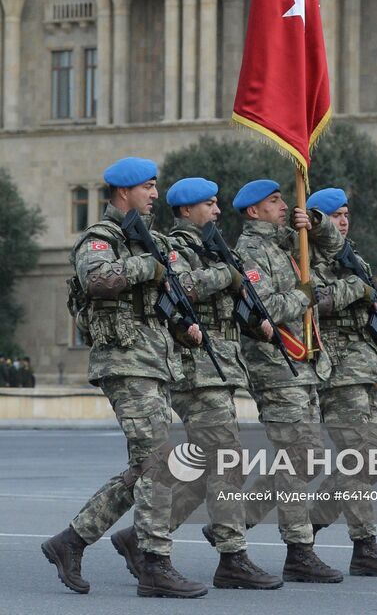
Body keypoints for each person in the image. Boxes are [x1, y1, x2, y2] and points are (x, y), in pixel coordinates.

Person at [42, 157, 208, 599]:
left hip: (153, 363)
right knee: (159, 463)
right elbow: (97, 281)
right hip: (124, 363)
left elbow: (166, 295)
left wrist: (183, 327)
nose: (155, 195)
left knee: (145, 467)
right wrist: (146, 268)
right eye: (149, 187)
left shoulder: (148, 241)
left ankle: (71, 541)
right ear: (123, 192)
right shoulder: (100, 239)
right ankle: (155, 564)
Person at [111, 176, 281, 590]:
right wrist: (226, 275)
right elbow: (179, 287)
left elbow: (227, 311)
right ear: (187, 211)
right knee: (224, 461)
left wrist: (256, 319)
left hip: (220, 369)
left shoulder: (212, 251)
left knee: (211, 465)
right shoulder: (176, 247)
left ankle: (141, 536)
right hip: (195, 370)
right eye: (209, 205)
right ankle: (230, 555)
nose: (217, 211)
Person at [231, 178, 344, 584]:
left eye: (282, 198)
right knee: (301, 454)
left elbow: (335, 249)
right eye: (274, 201)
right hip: (275, 365)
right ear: (252, 211)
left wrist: (313, 220)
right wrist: (305, 294)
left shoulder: (287, 240)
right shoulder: (249, 251)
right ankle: (299, 550)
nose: (283, 205)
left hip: (304, 365)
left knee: (304, 456)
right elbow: (264, 308)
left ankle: (237, 521)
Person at [305, 186, 377, 577]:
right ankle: (364, 547)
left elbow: (368, 308)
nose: (344, 221)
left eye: (347, 213)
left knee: (373, 461)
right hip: (338, 371)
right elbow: (314, 302)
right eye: (335, 215)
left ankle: (306, 532)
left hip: (365, 369)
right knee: (360, 459)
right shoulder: (308, 258)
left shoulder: (353, 258)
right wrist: (357, 287)